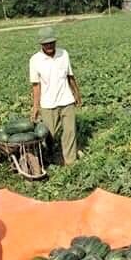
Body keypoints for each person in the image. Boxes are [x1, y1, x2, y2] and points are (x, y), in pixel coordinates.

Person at [29, 26, 82, 166]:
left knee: (70, 132)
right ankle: (50, 156)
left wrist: (76, 93)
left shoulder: (64, 54)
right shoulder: (35, 60)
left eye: (52, 43)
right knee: (49, 135)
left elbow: (70, 75)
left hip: (67, 100)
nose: (49, 46)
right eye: (46, 44)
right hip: (48, 103)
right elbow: (36, 85)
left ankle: (70, 162)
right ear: (41, 44)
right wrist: (35, 106)